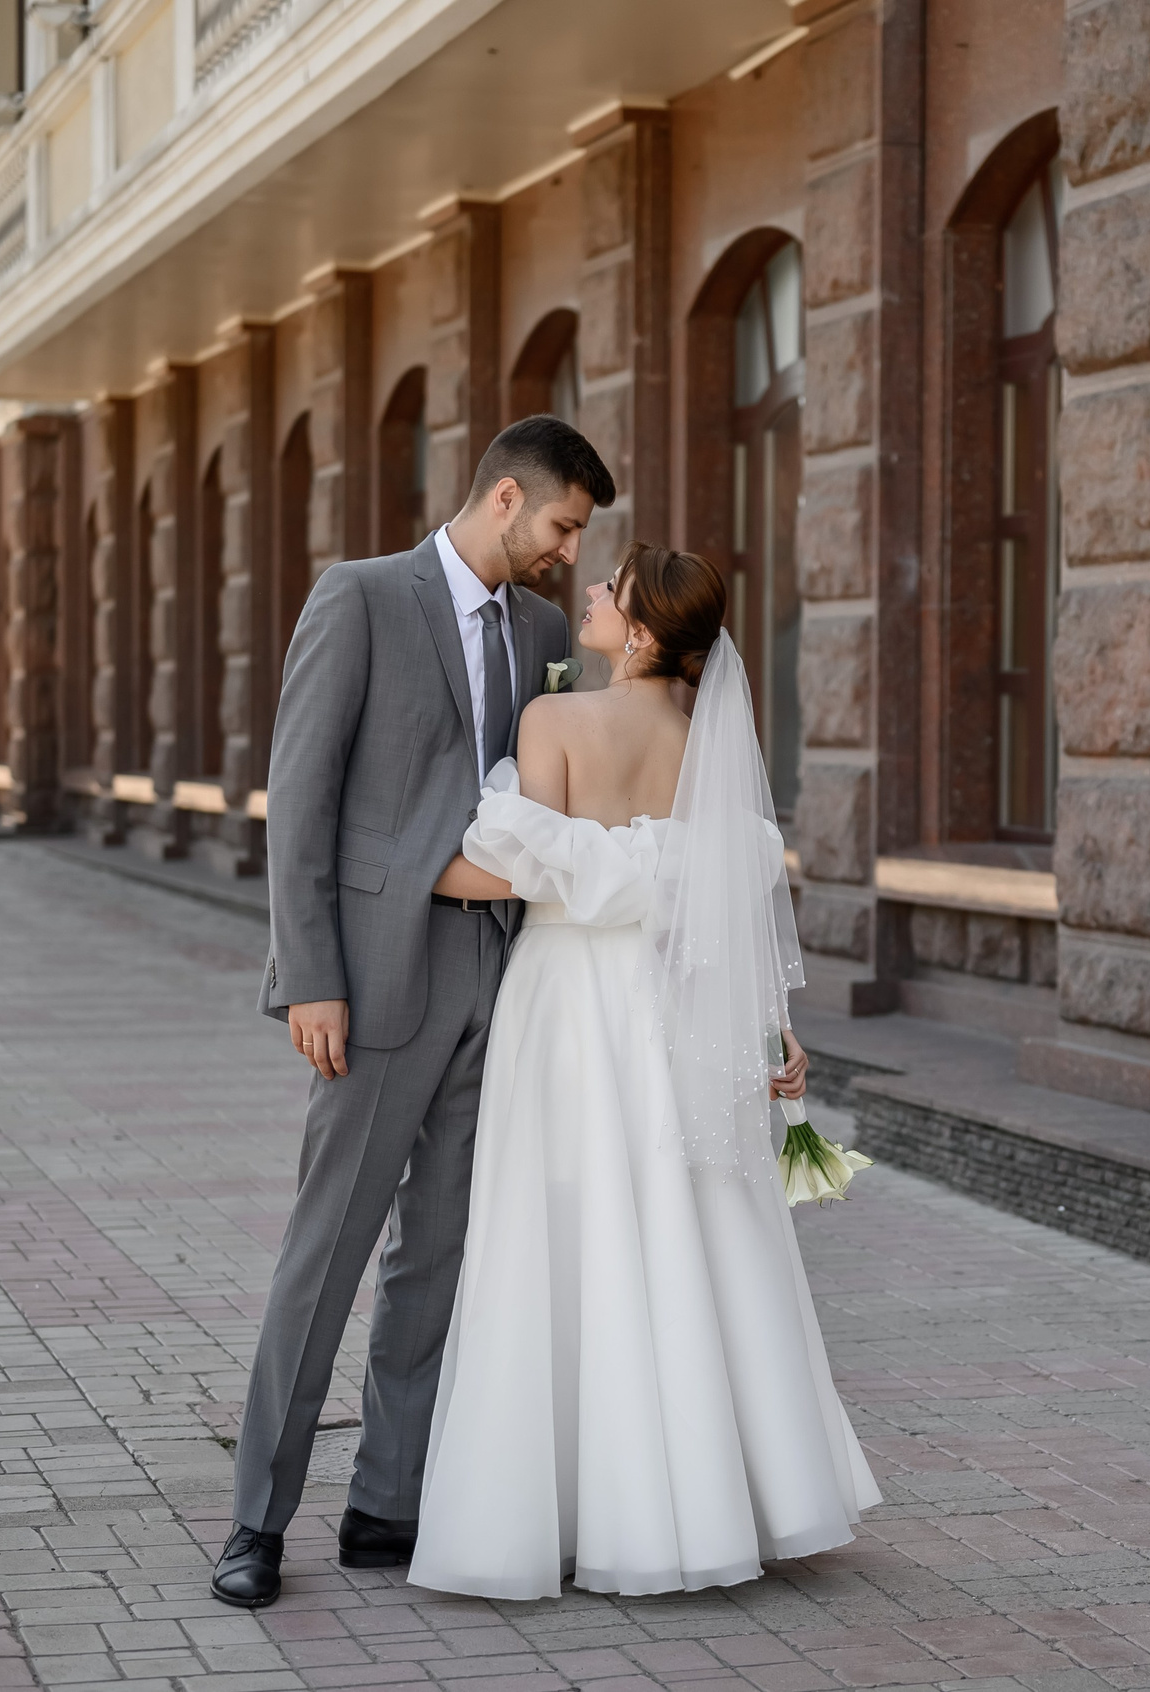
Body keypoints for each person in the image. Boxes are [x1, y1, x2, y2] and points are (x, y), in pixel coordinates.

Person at [404, 541, 878, 1600]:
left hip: (570, 999)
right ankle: (721, 1498)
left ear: (646, 630)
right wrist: (772, 1031)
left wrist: (383, 859)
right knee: (685, 1224)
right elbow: (722, 912)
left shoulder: (552, 721)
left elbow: (508, 873)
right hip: (674, 1005)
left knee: (564, 1232)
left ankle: (573, 1504)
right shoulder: (708, 748)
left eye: (609, 590)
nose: (589, 594)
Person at [211, 415, 614, 1609]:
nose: (567, 552)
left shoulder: (544, 631)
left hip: (502, 979)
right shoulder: (363, 597)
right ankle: (256, 1522)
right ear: (503, 500)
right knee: (325, 1255)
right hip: (376, 983)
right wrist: (309, 975)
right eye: (561, 525)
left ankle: (388, 1504)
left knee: (439, 1255)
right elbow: (304, 794)